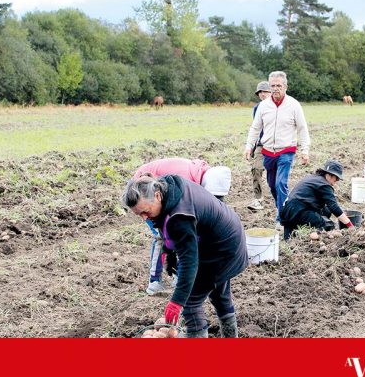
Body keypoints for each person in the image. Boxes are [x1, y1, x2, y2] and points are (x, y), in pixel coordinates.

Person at [121, 174, 248, 338]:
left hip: (223, 248)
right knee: (218, 293)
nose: (144, 217)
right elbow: (164, 225)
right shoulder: (167, 187)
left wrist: (176, 302)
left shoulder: (179, 217)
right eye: (139, 214)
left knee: (190, 301)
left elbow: (189, 262)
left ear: (157, 196)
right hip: (224, 238)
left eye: (145, 211)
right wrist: (170, 253)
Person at [133, 158, 232, 296]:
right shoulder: (186, 181)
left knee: (182, 234)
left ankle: (178, 278)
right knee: (162, 236)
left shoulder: (204, 175)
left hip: (160, 193)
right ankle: (154, 282)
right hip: (144, 195)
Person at [244, 71, 311, 228]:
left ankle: (282, 219)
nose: (275, 89)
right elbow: (255, 128)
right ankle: (282, 208)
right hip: (268, 151)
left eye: (278, 86)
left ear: (285, 87)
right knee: (273, 185)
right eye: (272, 86)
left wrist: (305, 150)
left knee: (281, 183)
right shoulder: (263, 106)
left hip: (286, 150)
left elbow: (302, 129)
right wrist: (249, 146)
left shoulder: (294, 105)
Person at [279, 160, 354, 240]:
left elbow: (329, 206)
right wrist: (350, 225)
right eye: (337, 178)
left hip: (287, 210)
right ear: (330, 175)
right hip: (298, 211)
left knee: (326, 211)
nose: (337, 181)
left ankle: (291, 236)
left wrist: (341, 213)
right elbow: (333, 207)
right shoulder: (324, 185)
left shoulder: (314, 178)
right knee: (325, 224)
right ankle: (314, 237)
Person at [247, 81, 272, 211]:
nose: (262, 94)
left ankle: (279, 197)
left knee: (274, 175)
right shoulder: (257, 108)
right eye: (260, 92)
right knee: (256, 169)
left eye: (265, 91)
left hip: (276, 145)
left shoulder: (277, 107)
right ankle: (258, 199)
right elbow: (256, 128)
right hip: (261, 145)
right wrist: (250, 146)